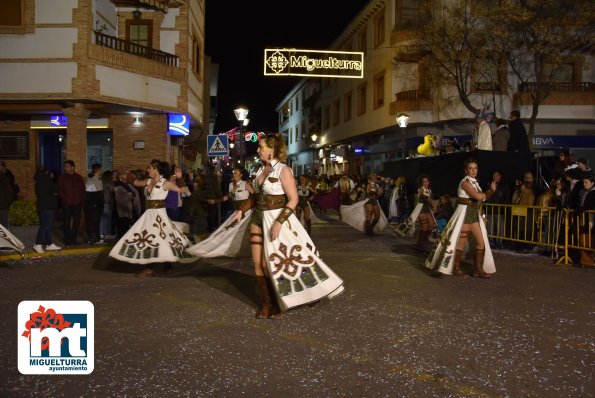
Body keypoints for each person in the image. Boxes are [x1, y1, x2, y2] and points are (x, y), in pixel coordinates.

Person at [249, 132, 344, 319]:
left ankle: (277, 303)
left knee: (270, 265)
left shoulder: (283, 170)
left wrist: (279, 222)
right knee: (257, 264)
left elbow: (293, 200)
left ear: (272, 150)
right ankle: (266, 304)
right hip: (257, 218)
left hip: (275, 220)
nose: (258, 150)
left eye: (261, 147)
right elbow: (256, 195)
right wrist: (239, 210)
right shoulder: (260, 170)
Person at [109, 159, 195, 277]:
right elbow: (136, 183)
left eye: (149, 168)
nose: (147, 170)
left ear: (156, 170)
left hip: (159, 215)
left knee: (162, 239)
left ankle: (158, 266)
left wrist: (180, 179)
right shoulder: (148, 181)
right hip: (148, 215)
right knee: (150, 239)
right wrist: (128, 176)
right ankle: (158, 266)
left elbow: (186, 192)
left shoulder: (165, 183)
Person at [426, 158, 497, 277]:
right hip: (465, 216)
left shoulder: (474, 182)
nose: (473, 170)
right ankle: (463, 268)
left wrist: (489, 193)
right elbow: (479, 197)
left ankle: (469, 269)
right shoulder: (465, 183)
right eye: (471, 168)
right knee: (469, 243)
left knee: (473, 242)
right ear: (466, 170)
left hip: (472, 214)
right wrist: (491, 191)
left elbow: (479, 199)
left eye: (475, 168)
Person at [186, 166, 254, 258]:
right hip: (237, 211)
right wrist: (215, 201)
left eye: (236, 173)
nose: (234, 174)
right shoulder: (231, 185)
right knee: (228, 231)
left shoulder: (246, 184)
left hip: (246, 212)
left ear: (241, 175)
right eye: (233, 172)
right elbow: (227, 197)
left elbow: (254, 195)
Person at [32, 166, 61, 253]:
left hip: (41, 206)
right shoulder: (47, 180)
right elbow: (56, 189)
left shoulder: (37, 181)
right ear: (46, 172)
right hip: (49, 206)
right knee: (46, 225)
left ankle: (49, 244)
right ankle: (37, 243)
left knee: (46, 225)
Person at [58, 160, 86, 247]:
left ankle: (73, 239)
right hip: (67, 204)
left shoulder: (78, 177)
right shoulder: (62, 178)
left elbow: (82, 189)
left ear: (72, 167)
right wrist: (64, 198)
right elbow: (59, 190)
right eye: (65, 167)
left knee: (77, 222)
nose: (65, 168)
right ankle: (67, 241)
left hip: (77, 204)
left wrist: (81, 200)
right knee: (66, 222)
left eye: (67, 166)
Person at [483, 170, 509, 249]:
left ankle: (499, 243)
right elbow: (486, 196)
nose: (495, 177)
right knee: (490, 227)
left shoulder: (504, 186)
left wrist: (504, 208)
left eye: (496, 175)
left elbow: (506, 198)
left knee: (499, 228)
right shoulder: (488, 185)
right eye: (493, 175)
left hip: (499, 211)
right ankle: (491, 243)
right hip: (489, 210)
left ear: (500, 176)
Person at [113, 171, 141, 238]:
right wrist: (131, 194)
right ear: (121, 179)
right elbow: (121, 198)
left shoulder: (130, 185)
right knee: (124, 227)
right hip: (124, 211)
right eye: (126, 178)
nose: (127, 179)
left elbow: (135, 195)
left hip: (132, 209)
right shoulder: (118, 187)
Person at [576, 173, 595, 268]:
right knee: (584, 239)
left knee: (586, 240)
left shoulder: (592, 193)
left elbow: (588, 206)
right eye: (584, 182)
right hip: (586, 219)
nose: (584, 184)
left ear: (592, 183)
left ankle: (588, 261)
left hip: (590, 220)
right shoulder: (585, 192)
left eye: (586, 182)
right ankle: (586, 260)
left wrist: (579, 210)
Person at [84, 163, 105, 245]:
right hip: (93, 206)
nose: (102, 171)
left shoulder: (99, 180)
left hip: (98, 205)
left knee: (97, 222)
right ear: (98, 170)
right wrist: (94, 204)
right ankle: (92, 238)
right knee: (92, 222)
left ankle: (97, 237)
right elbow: (89, 194)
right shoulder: (90, 180)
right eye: (101, 169)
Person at [415, 174, 437, 249]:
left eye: (427, 181)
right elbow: (425, 198)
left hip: (427, 210)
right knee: (424, 227)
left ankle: (425, 240)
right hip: (421, 210)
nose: (425, 182)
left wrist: (433, 207)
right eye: (424, 181)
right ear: (421, 183)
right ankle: (419, 243)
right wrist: (432, 205)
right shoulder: (421, 189)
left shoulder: (429, 190)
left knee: (432, 225)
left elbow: (430, 200)